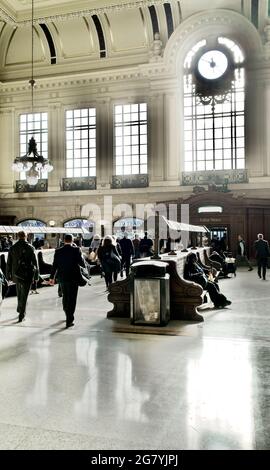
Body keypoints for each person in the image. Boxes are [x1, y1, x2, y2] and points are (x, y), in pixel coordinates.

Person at [49, 233, 86, 328]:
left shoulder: (58, 251)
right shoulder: (76, 250)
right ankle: (70, 318)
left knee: (65, 296)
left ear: (64, 240)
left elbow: (54, 266)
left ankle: (67, 313)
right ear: (72, 240)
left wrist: (51, 277)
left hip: (62, 277)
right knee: (72, 298)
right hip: (74, 277)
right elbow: (82, 263)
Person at [6, 230, 38, 322]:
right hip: (27, 274)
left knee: (19, 293)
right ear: (26, 236)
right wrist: (36, 276)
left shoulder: (13, 247)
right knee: (25, 294)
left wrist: (8, 275)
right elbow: (35, 263)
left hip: (16, 274)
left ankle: (20, 308)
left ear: (17, 236)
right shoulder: (30, 247)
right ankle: (22, 314)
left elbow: (9, 263)